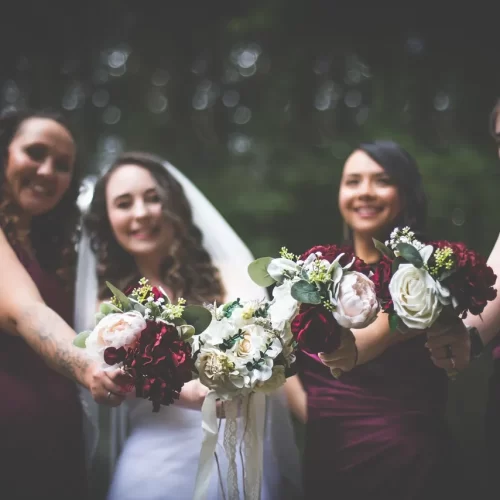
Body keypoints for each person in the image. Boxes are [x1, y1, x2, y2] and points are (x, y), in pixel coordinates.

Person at [79, 151, 301, 499]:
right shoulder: (107, 305)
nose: (141, 213)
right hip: (155, 468)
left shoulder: (229, 276)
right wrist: (198, 396)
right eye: (124, 203)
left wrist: (319, 419)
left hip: (237, 461)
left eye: (153, 198)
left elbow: (276, 355)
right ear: (107, 219)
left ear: (174, 205)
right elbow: (125, 376)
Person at [284, 140, 471, 499]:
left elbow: (366, 343)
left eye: (381, 180)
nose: (365, 192)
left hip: (407, 463)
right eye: (353, 181)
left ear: (406, 193)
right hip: (327, 460)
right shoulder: (313, 277)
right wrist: (319, 417)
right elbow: (284, 365)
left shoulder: (430, 274)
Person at [0, 108, 129, 499]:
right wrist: (90, 366)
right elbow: (27, 313)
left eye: (62, 165)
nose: (46, 171)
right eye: (34, 153)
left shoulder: (57, 254)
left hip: (60, 440)